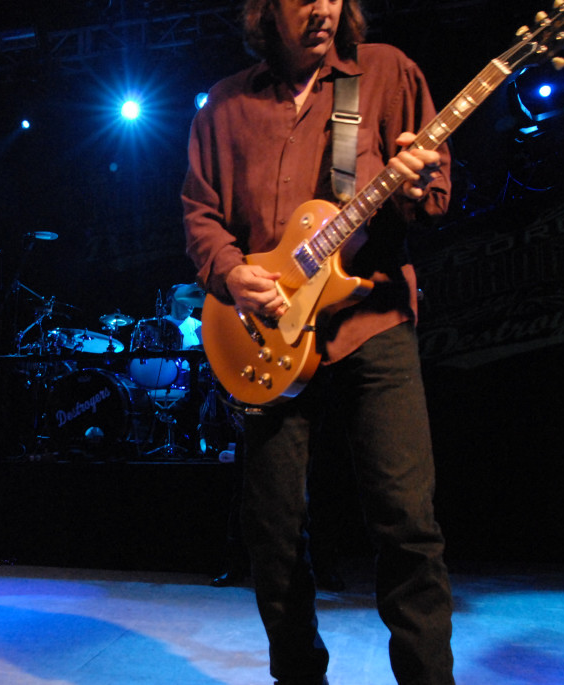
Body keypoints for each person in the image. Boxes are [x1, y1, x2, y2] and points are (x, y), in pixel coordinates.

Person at [181, 1, 454, 683]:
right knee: (272, 533)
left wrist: (420, 181)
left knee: (406, 523)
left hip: (371, 323)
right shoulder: (224, 105)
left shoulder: (385, 73)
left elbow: (433, 198)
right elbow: (200, 213)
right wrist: (232, 273)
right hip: (267, 338)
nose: (324, 7)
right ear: (266, 8)